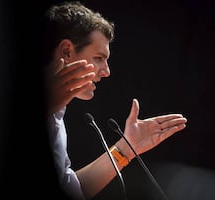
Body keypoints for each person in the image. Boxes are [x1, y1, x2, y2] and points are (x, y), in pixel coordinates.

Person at [43, 1, 188, 199]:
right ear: (67, 51)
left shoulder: (56, 112)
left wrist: (125, 150)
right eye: (98, 58)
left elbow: (70, 189)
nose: (107, 72)